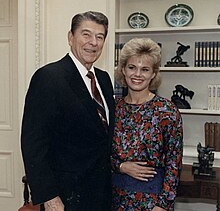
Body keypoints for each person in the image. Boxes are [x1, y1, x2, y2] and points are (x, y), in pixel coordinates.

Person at [21, 11, 115, 211]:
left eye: (100, 37)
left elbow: (103, 137)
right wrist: (50, 198)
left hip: (101, 193)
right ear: (71, 37)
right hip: (65, 197)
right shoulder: (48, 77)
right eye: (86, 34)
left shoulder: (104, 80)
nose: (93, 42)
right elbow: (34, 144)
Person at [111, 38, 183, 211]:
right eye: (132, 67)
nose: (137, 74)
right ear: (123, 70)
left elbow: (174, 163)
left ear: (153, 74)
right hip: (112, 198)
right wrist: (120, 167)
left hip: (152, 202)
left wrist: (163, 205)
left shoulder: (167, 110)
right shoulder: (113, 108)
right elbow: (98, 154)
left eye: (145, 69)